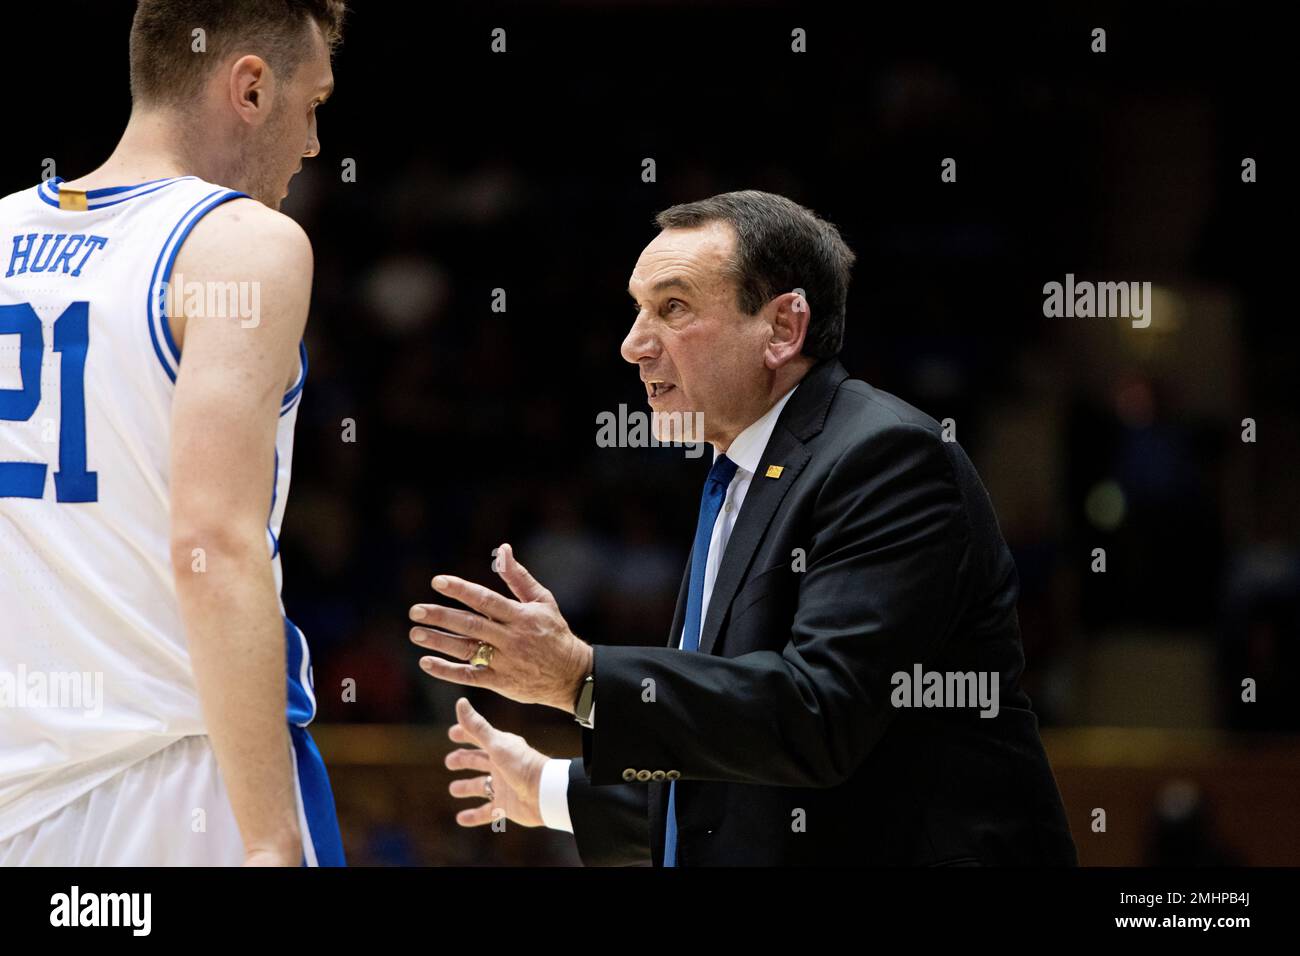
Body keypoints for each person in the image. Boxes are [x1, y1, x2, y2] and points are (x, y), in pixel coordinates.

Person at [411, 190, 1078, 866]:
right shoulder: (739, 473)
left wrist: (583, 678)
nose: (633, 345)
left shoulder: (886, 458)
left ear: (783, 328)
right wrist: (546, 788)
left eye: (672, 308)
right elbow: (744, 787)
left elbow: (818, 717)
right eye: (637, 310)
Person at [0, 0, 347, 866]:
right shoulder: (243, 244)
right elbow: (213, 540)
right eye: (314, 106)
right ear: (251, 88)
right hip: (187, 782)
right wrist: (269, 839)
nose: (312, 145)